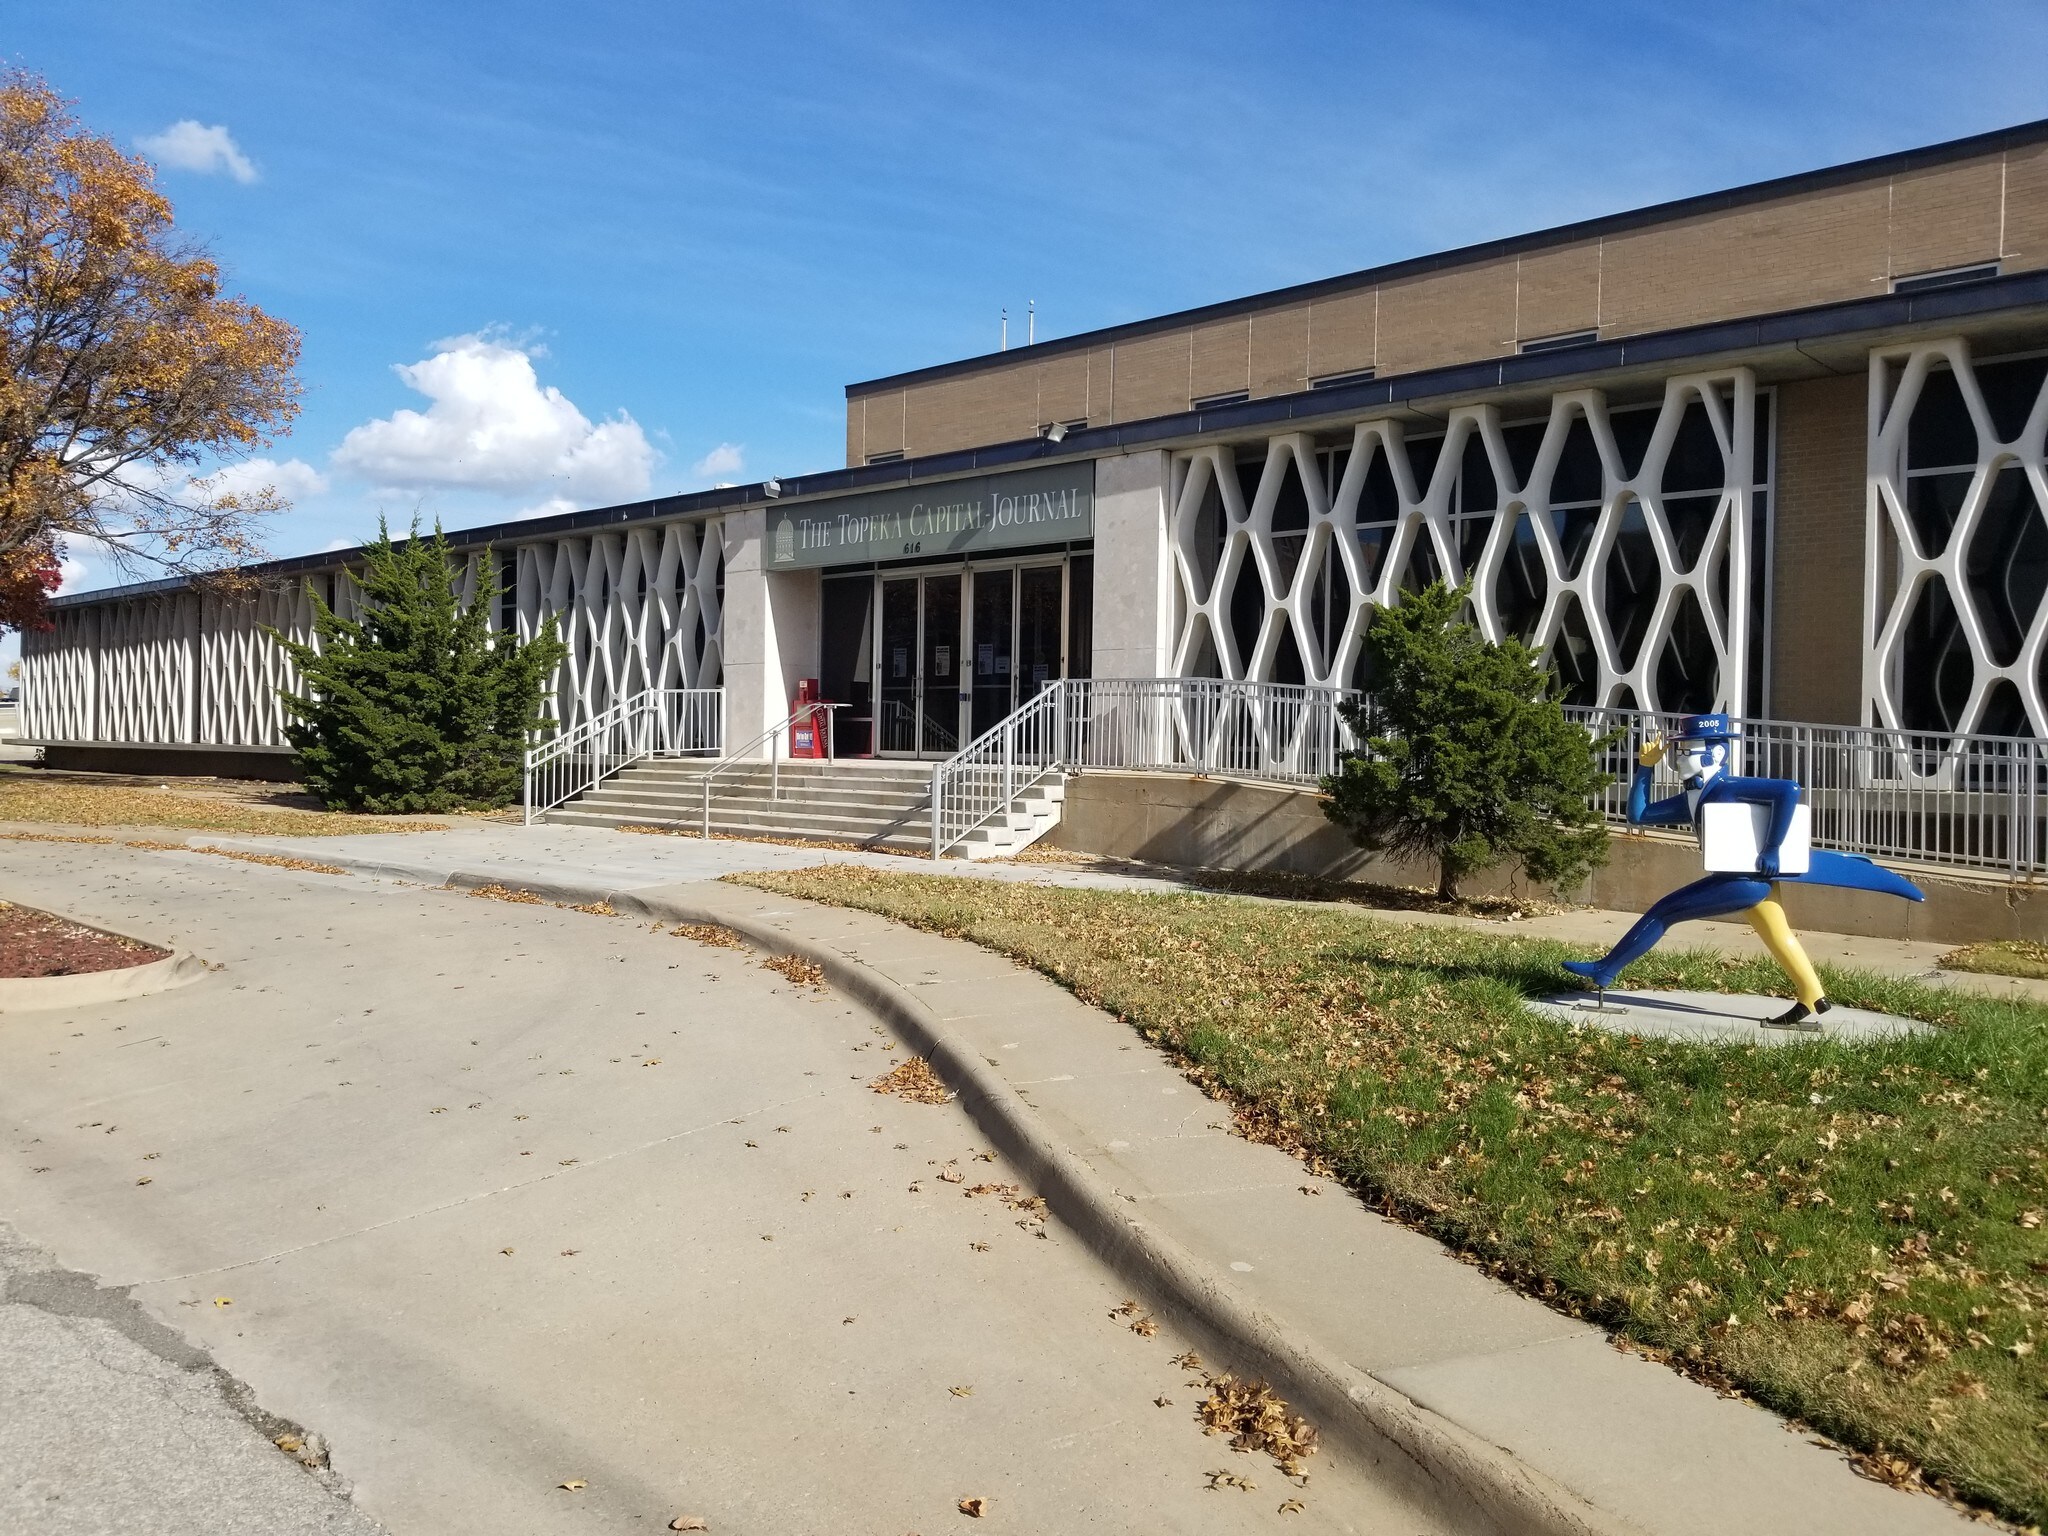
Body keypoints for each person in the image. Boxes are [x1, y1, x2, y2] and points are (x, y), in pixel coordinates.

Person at [1560, 713, 1923, 1030]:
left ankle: (1604, 971)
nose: (1682, 757)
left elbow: (1788, 790)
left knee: (1663, 911)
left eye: (1690, 750)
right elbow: (1639, 816)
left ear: (1717, 753)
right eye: (1680, 751)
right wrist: (1645, 767)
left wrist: (1772, 848)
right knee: (1778, 937)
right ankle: (1813, 996)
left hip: (1744, 880)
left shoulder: (1728, 787)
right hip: (1749, 879)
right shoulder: (1692, 798)